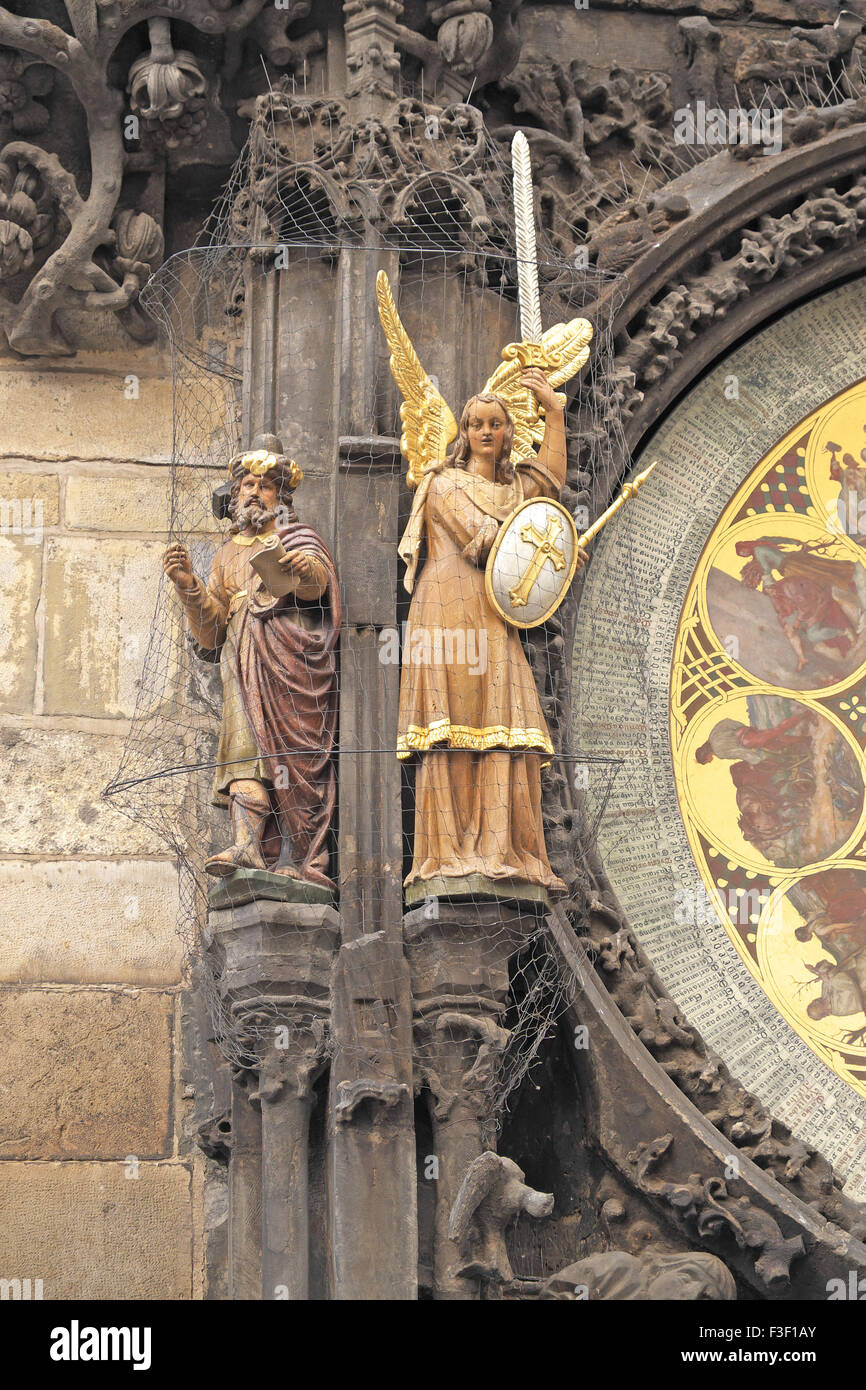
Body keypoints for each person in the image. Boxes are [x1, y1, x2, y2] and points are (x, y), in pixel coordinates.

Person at [397, 368, 586, 903]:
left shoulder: (516, 487)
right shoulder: (443, 484)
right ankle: (450, 852)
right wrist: (547, 544)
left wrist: (552, 412)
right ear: (463, 431)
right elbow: (482, 542)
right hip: (448, 610)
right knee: (454, 721)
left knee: (503, 719)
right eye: (476, 424)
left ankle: (501, 847)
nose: (485, 432)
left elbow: (549, 483)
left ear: (508, 433)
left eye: (496, 424)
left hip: (492, 612)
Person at [163, 434, 340, 886]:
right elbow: (212, 630)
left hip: (290, 664)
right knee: (247, 751)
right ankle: (247, 846)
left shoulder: (296, 537)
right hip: (242, 663)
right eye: (247, 485)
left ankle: (297, 857)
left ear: (280, 496)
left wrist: (303, 569)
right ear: (236, 494)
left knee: (293, 756)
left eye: (265, 485)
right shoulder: (225, 556)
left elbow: (319, 586)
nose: (255, 492)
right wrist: (188, 585)